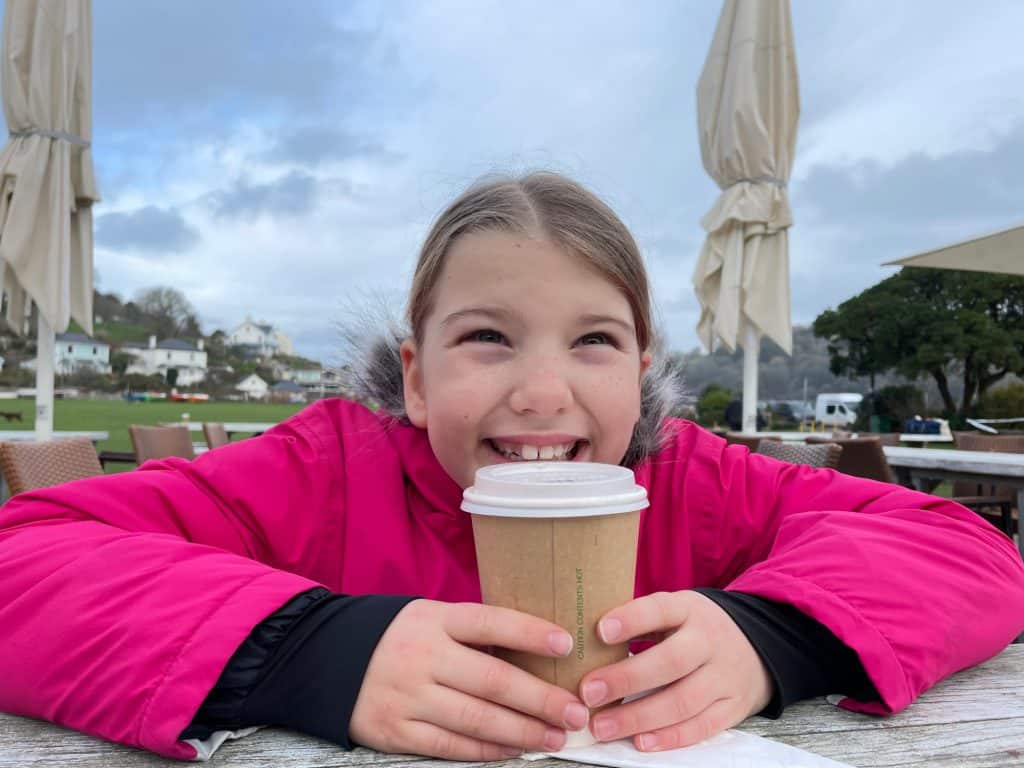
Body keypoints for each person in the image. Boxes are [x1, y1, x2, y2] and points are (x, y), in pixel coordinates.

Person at [1, 172, 1022, 762]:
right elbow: (26, 554)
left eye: (593, 342)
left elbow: (959, 545)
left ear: (642, 371)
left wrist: (775, 636)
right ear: (412, 375)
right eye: (487, 337)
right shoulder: (325, 469)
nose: (541, 393)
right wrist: (308, 650)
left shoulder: (695, 480)